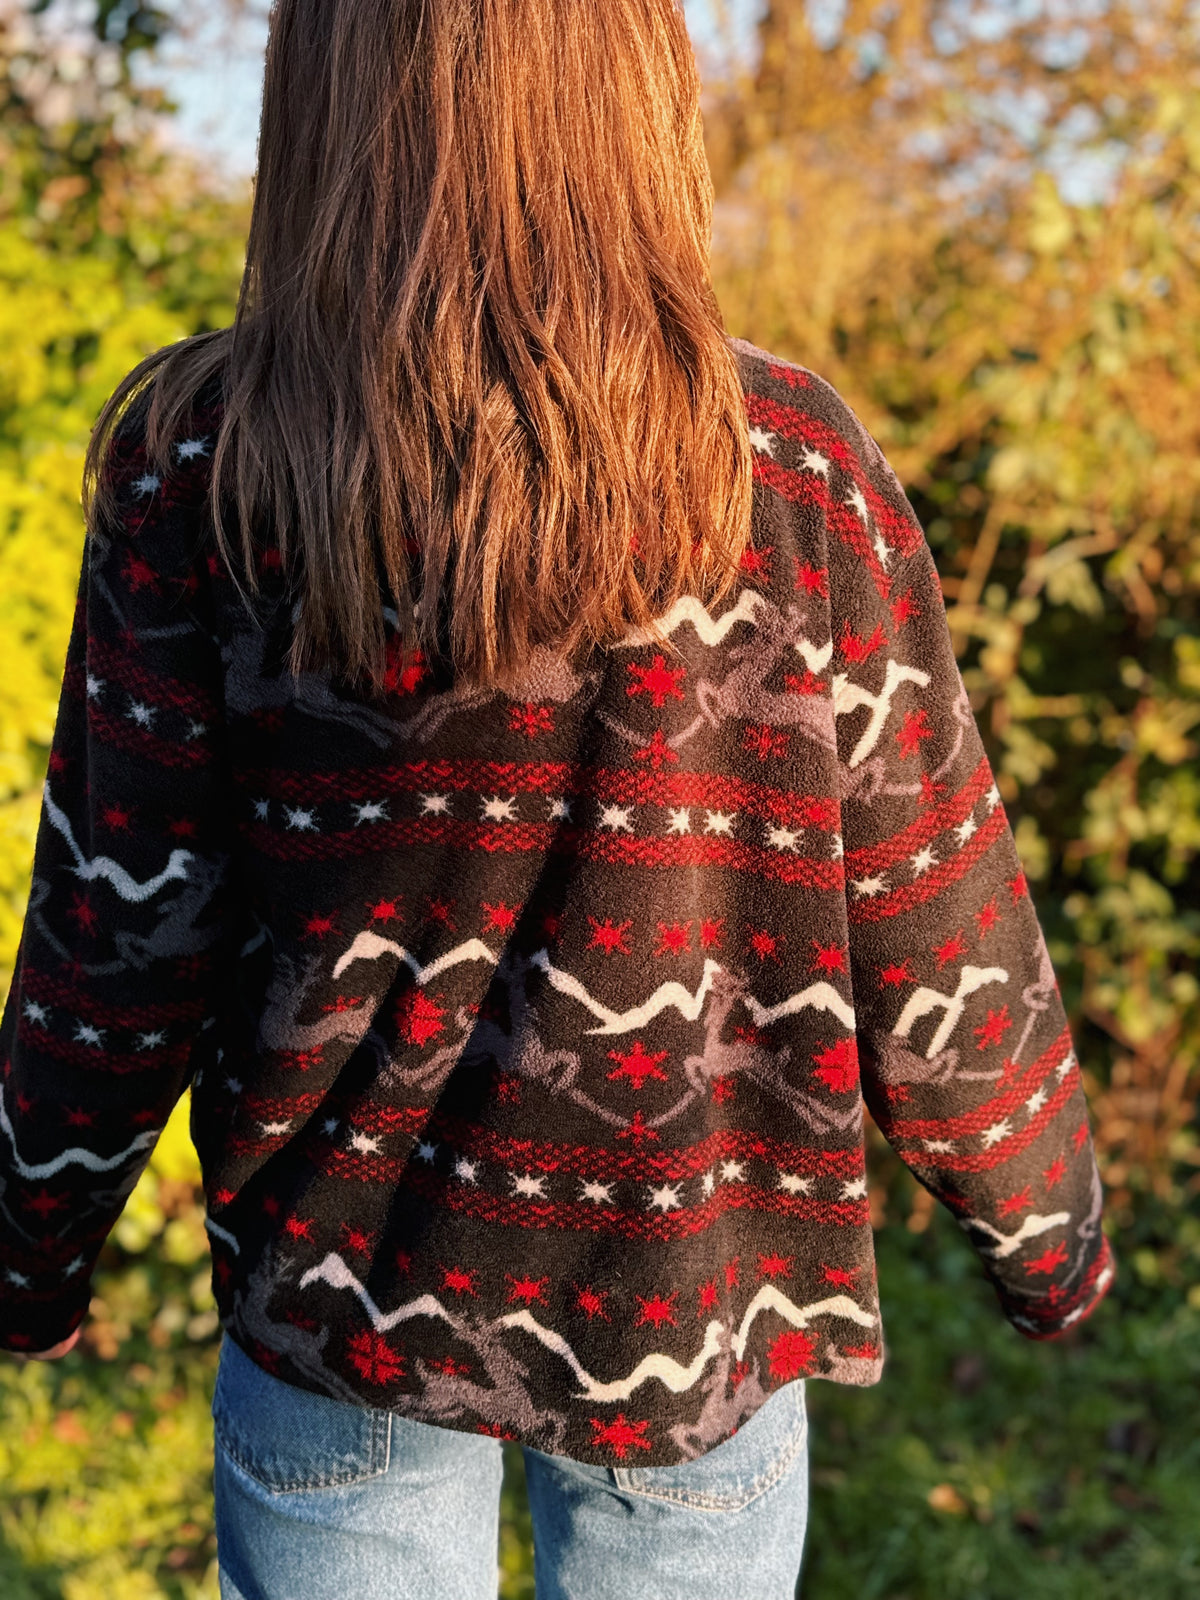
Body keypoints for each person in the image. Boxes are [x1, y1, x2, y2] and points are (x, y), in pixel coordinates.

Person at [0, 1, 1115, 1596]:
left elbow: (118, 932)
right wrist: (1047, 1239)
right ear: (643, 86)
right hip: (694, 1300)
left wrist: (34, 1245)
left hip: (341, 1303)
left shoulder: (210, 466)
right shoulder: (788, 474)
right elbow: (940, 914)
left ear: (315, 101)